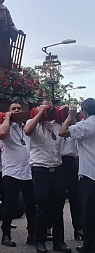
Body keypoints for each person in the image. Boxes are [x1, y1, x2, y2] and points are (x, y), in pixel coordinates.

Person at [24, 98, 71, 253]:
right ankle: (39, 241)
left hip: (57, 169)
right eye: (46, 107)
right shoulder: (33, 122)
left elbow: (68, 129)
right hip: (40, 170)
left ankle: (59, 242)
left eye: (51, 107)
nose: (49, 110)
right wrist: (40, 113)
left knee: (58, 207)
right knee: (42, 206)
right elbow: (27, 131)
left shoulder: (57, 124)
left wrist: (67, 113)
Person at [59, 99, 95, 253]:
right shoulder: (86, 125)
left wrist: (69, 116)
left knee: (88, 212)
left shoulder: (87, 124)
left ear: (84, 112)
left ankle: (89, 245)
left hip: (89, 175)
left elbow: (62, 132)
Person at [0, 103, 36, 247]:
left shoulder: (25, 127)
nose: (17, 111)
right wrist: (7, 118)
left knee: (32, 205)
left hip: (28, 172)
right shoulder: (4, 126)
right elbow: (2, 134)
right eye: (13, 109)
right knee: (9, 205)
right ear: (8, 111)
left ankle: (32, 234)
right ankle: (5, 235)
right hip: (11, 173)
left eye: (19, 109)